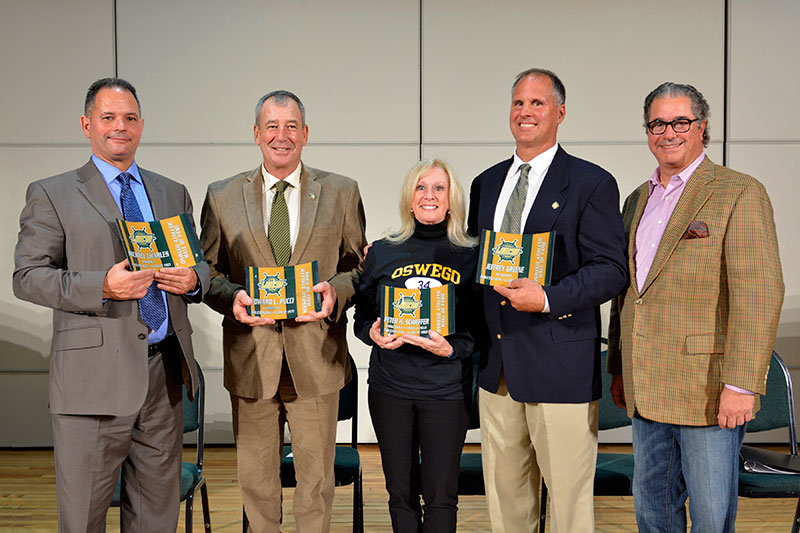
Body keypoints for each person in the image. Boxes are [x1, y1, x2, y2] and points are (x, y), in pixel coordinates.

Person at [12, 78, 209, 532]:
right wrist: (102, 285)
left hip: (164, 378)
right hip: (91, 384)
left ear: (141, 126)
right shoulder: (52, 192)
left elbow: (198, 264)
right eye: (108, 117)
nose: (120, 127)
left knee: (157, 519)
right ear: (86, 125)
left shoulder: (170, 191)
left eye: (130, 118)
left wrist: (194, 279)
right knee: (83, 518)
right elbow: (27, 277)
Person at [607, 82, 784, 532]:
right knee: (652, 511)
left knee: (710, 518)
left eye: (680, 122)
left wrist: (742, 384)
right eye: (657, 123)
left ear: (701, 127)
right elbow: (629, 291)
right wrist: (619, 368)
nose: (668, 132)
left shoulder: (737, 192)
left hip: (706, 390)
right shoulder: (636, 200)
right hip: (646, 387)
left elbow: (759, 293)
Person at [466, 68, 628, 532]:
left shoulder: (590, 182)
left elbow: (611, 271)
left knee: (569, 508)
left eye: (537, 103)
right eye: (518, 103)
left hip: (560, 368)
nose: (525, 112)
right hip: (497, 369)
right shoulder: (486, 183)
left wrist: (548, 298)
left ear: (559, 113)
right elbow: (471, 263)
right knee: (506, 503)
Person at [199, 90, 366, 532]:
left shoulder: (341, 191)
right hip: (252, 357)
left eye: (291, 126)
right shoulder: (222, 196)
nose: (281, 135)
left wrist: (335, 291)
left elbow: (358, 267)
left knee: (316, 485)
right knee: (256, 483)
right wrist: (231, 299)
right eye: (271, 126)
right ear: (256, 134)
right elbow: (206, 273)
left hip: (316, 357)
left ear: (306, 134)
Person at [354, 159, 478, 532]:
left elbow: (482, 329)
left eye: (438, 188)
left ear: (452, 199)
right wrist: (371, 334)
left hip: (445, 391)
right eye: (421, 188)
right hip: (390, 387)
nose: (429, 196)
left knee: (442, 494)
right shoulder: (382, 251)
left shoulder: (472, 255)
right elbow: (361, 316)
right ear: (409, 198)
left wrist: (451, 349)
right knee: (400, 492)